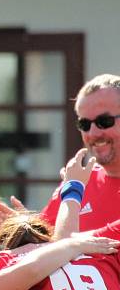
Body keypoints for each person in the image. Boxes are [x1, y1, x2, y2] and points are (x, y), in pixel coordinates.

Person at [41, 74, 120, 229]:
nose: (93, 133)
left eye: (104, 121)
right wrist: (21, 227)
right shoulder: (78, 183)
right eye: (84, 124)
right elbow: (46, 243)